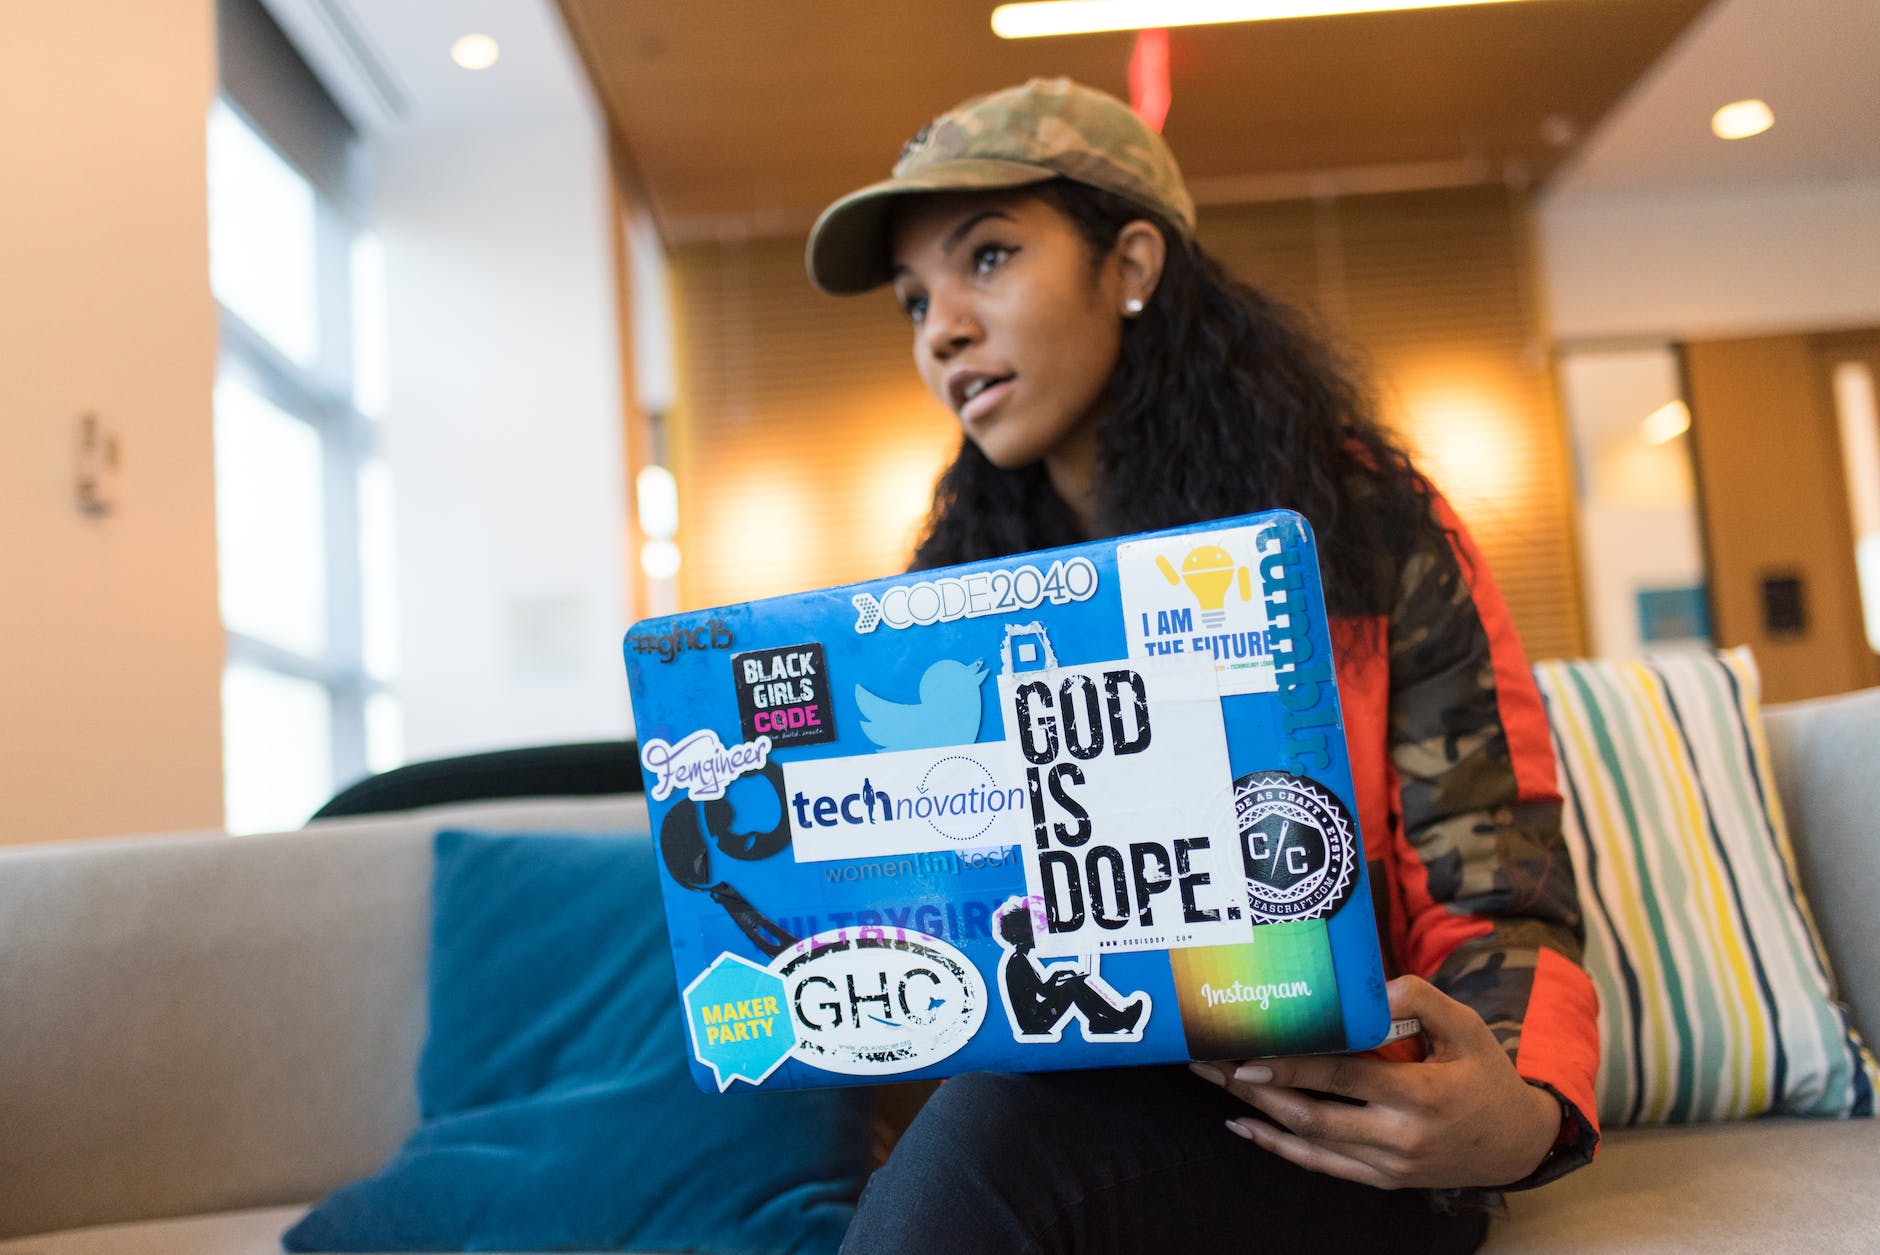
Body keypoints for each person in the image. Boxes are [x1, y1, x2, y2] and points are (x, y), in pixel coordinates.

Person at [804, 78, 1599, 1255]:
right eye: (914, 300)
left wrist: (1519, 1115)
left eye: (987, 258)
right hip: (1065, 1107)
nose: (940, 329)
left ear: (1130, 265)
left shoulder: (1361, 532)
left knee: (986, 1150)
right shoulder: (952, 604)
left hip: (1333, 1120)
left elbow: (1496, 880)